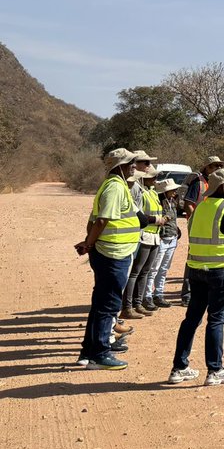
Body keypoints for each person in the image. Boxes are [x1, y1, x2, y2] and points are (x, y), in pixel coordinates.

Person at [167, 167, 224, 386]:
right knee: (216, 320)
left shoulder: (200, 207)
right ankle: (214, 370)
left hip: (197, 270)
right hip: (222, 270)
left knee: (192, 319)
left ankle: (179, 368)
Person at [75, 148, 158, 370]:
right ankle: (100, 354)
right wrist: (90, 244)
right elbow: (101, 221)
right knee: (108, 305)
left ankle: (89, 350)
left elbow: (95, 221)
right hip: (113, 254)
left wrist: (89, 243)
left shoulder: (118, 186)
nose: (134, 166)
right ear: (118, 166)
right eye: (130, 162)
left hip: (114, 253)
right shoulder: (114, 187)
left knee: (101, 304)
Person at [180, 155, 224, 306]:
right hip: (198, 228)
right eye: (214, 166)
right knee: (193, 258)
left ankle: (202, 291)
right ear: (206, 167)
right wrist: (194, 222)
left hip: (211, 227)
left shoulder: (216, 184)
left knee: (208, 258)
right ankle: (187, 294)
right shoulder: (198, 182)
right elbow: (188, 204)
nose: (217, 168)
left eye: (219, 166)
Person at [122, 167, 163, 318]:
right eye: (152, 177)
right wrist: (156, 220)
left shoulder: (152, 192)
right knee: (135, 272)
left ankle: (138, 303)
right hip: (144, 235)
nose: (154, 180)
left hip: (155, 236)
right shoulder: (140, 191)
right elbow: (138, 213)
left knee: (145, 271)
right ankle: (128, 306)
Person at [146, 178, 184, 308]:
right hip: (162, 238)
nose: (174, 192)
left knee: (163, 269)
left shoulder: (172, 202)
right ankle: (147, 295)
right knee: (154, 269)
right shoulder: (159, 203)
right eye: (172, 190)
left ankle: (159, 294)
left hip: (172, 238)